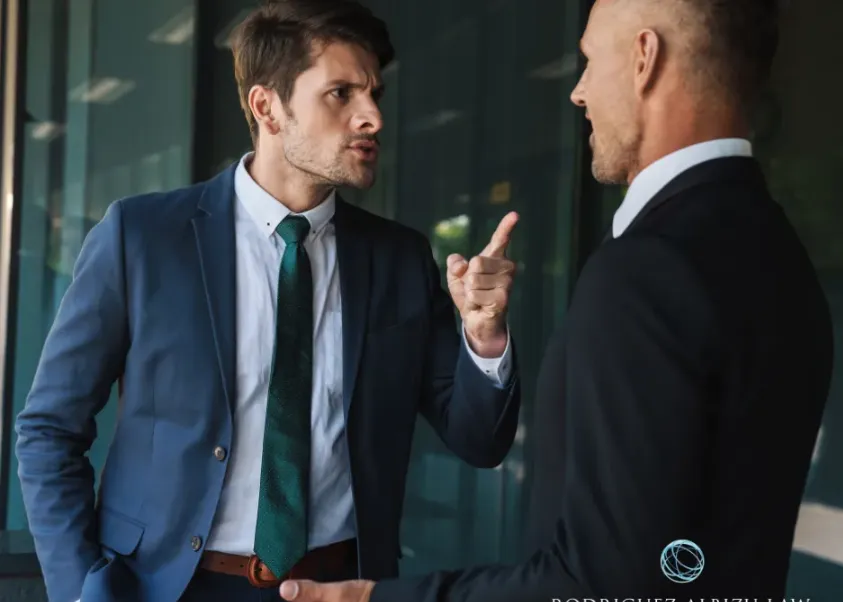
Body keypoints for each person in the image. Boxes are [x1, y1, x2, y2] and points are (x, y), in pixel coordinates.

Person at [276, 0, 835, 600]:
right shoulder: (782, 256)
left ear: (645, 58)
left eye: (590, 62)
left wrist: (376, 598)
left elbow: (602, 579)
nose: (579, 92)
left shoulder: (646, 270)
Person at [14, 2, 522, 602]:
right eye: (341, 94)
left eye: (375, 94)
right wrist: (81, 588)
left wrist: (485, 340)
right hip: (166, 587)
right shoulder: (143, 237)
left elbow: (480, 441)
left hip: (341, 586)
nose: (373, 117)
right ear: (267, 107)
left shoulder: (399, 260)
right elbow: (49, 428)